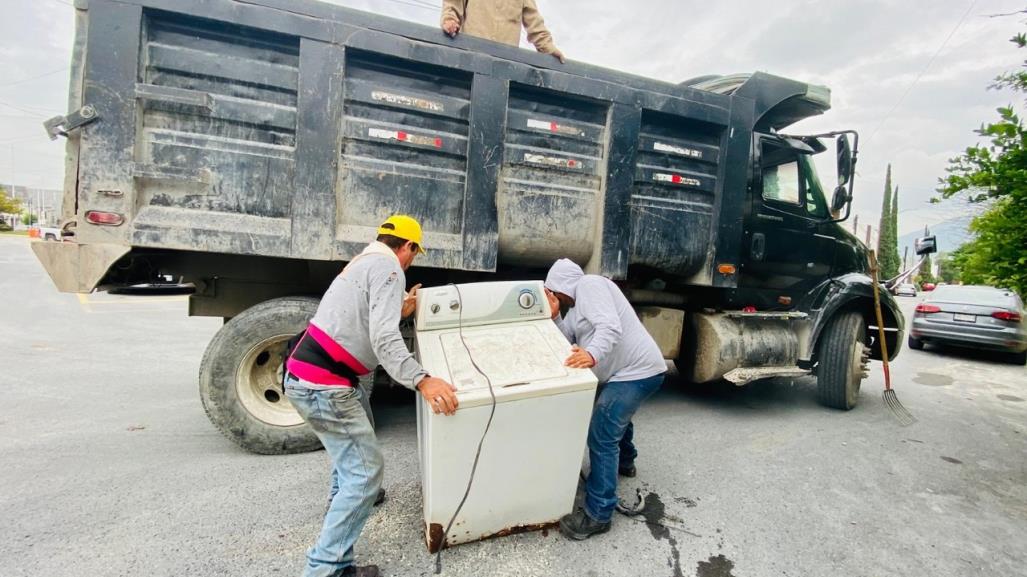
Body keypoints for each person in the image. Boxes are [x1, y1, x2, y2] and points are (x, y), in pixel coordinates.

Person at [284, 215, 459, 577]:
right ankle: (327, 568)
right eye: (415, 252)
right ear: (408, 247)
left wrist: (399, 310)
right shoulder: (390, 268)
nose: (412, 259)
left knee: (352, 452)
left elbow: (363, 319)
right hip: (326, 383)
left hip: (311, 373)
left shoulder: (364, 261)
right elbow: (383, 339)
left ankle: (342, 504)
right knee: (365, 474)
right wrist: (423, 380)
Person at [543, 258, 666, 540]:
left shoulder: (590, 285)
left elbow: (610, 328)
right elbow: (567, 341)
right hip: (626, 373)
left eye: (552, 291)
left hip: (640, 371)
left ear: (560, 283)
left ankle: (598, 513)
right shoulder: (574, 310)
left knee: (602, 430)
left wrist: (592, 354)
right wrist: (555, 317)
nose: (550, 296)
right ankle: (625, 462)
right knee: (616, 416)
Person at [440, 0, 566, 63]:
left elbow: (534, 21)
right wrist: (450, 19)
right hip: (471, 55)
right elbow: (453, 4)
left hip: (504, 62)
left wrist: (548, 47)